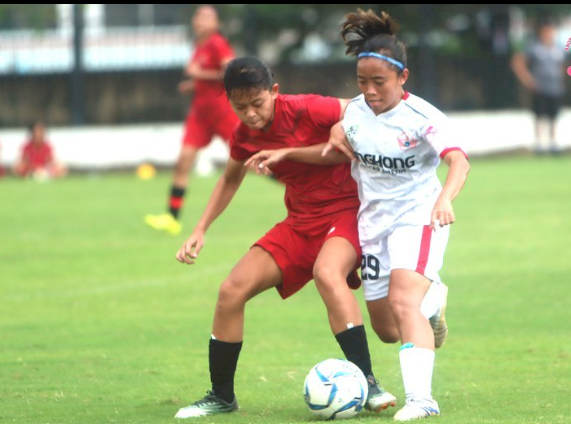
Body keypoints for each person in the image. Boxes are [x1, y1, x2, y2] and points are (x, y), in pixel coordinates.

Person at [247, 9, 470, 421]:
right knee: (388, 329)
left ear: (403, 78)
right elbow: (332, 151)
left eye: (379, 82)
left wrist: (445, 199)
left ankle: (422, 400)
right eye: (362, 82)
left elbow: (458, 161)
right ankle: (433, 301)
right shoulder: (352, 115)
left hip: (418, 217)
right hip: (373, 224)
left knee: (404, 303)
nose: (369, 90)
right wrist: (287, 154)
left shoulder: (423, 118)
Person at [172, 56, 396, 419]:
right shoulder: (244, 135)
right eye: (240, 107)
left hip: (347, 213)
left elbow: (359, 107)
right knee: (231, 290)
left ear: (274, 92)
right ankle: (221, 396)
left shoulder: (307, 107)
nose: (251, 114)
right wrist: (200, 229)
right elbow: (230, 178)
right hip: (300, 223)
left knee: (328, 273)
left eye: (258, 103)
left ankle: (368, 383)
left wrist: (342, 127)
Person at [146, 5, 239, 235]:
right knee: (183, 161)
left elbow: (231, 71)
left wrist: (197, 75)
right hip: (200, 115)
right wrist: (194, 84)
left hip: (221, 112)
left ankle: (298, 184)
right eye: (198, 16)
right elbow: (210, 77)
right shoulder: (199, 45)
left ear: (216, 23)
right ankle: (172, 218)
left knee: (254, 157)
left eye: (207, 16)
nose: (200, 20)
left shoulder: (217, 43)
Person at [511, 17, 566, 154]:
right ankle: (539, 144)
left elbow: (564, 65)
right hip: (540, 88)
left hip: (555, 87)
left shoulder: (558, 47)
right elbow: (517, 62)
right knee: (540, 116)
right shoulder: (534, 47)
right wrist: (528, 80)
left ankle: (554, 144)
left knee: (553, 116)